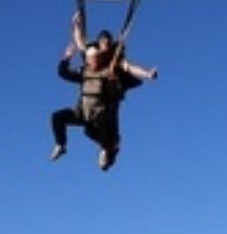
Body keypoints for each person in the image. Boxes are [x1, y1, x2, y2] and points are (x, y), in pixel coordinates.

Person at [50, 10, 158, 171]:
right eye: (89, 58)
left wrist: (148, 74)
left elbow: (130, 68)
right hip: (85, 113)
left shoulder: (113, 67)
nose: (91, 61)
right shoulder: (84, 71)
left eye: (94, 58)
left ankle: (108, 150)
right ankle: (61, 145)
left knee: (100, 131)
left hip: (104, 115)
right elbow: (77, 47)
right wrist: (75, 25)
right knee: (58, 117)